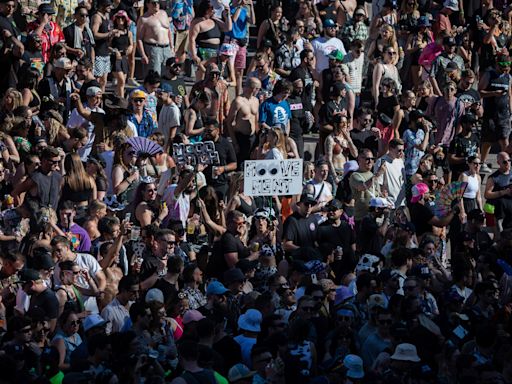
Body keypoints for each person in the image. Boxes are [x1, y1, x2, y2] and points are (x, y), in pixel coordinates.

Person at [226, 77, 261, 169]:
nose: (258, 90)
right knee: (241, 166)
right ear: (252, 88)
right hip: (241, 137)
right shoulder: (238, 101)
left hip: (252, 137)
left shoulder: (256, 101)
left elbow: (256, 121)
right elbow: (229, 122)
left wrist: (259, 141)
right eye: (257, 88)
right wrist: (235, 142)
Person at [136, 0, 173, 76]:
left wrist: (172, 47)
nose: (156, 4)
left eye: (158, 2)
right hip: (153, 49)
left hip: (167, 48)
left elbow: (169, 31)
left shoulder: (164, 13)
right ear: (147, 4)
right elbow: (139, 38)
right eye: (153, 3)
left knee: (168, 74)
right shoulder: (143, 19)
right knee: (154, 75)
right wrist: (143, 55)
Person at [374, 138, 406, 208]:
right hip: (389, 204)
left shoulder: (400, 161)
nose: (402, 153)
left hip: (401, 203)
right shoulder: (381, 161)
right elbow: (377, 184)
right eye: (399, 150)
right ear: (391, 149)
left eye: (403, 150)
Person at [484, 152, 512, 231]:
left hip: (509, 211)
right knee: (497, 235)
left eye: (509, 160)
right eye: (504, 162)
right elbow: (487, 194)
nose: (508, 163)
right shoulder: (493, 177)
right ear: (498, 163)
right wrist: (503, 192)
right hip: (497, 213)